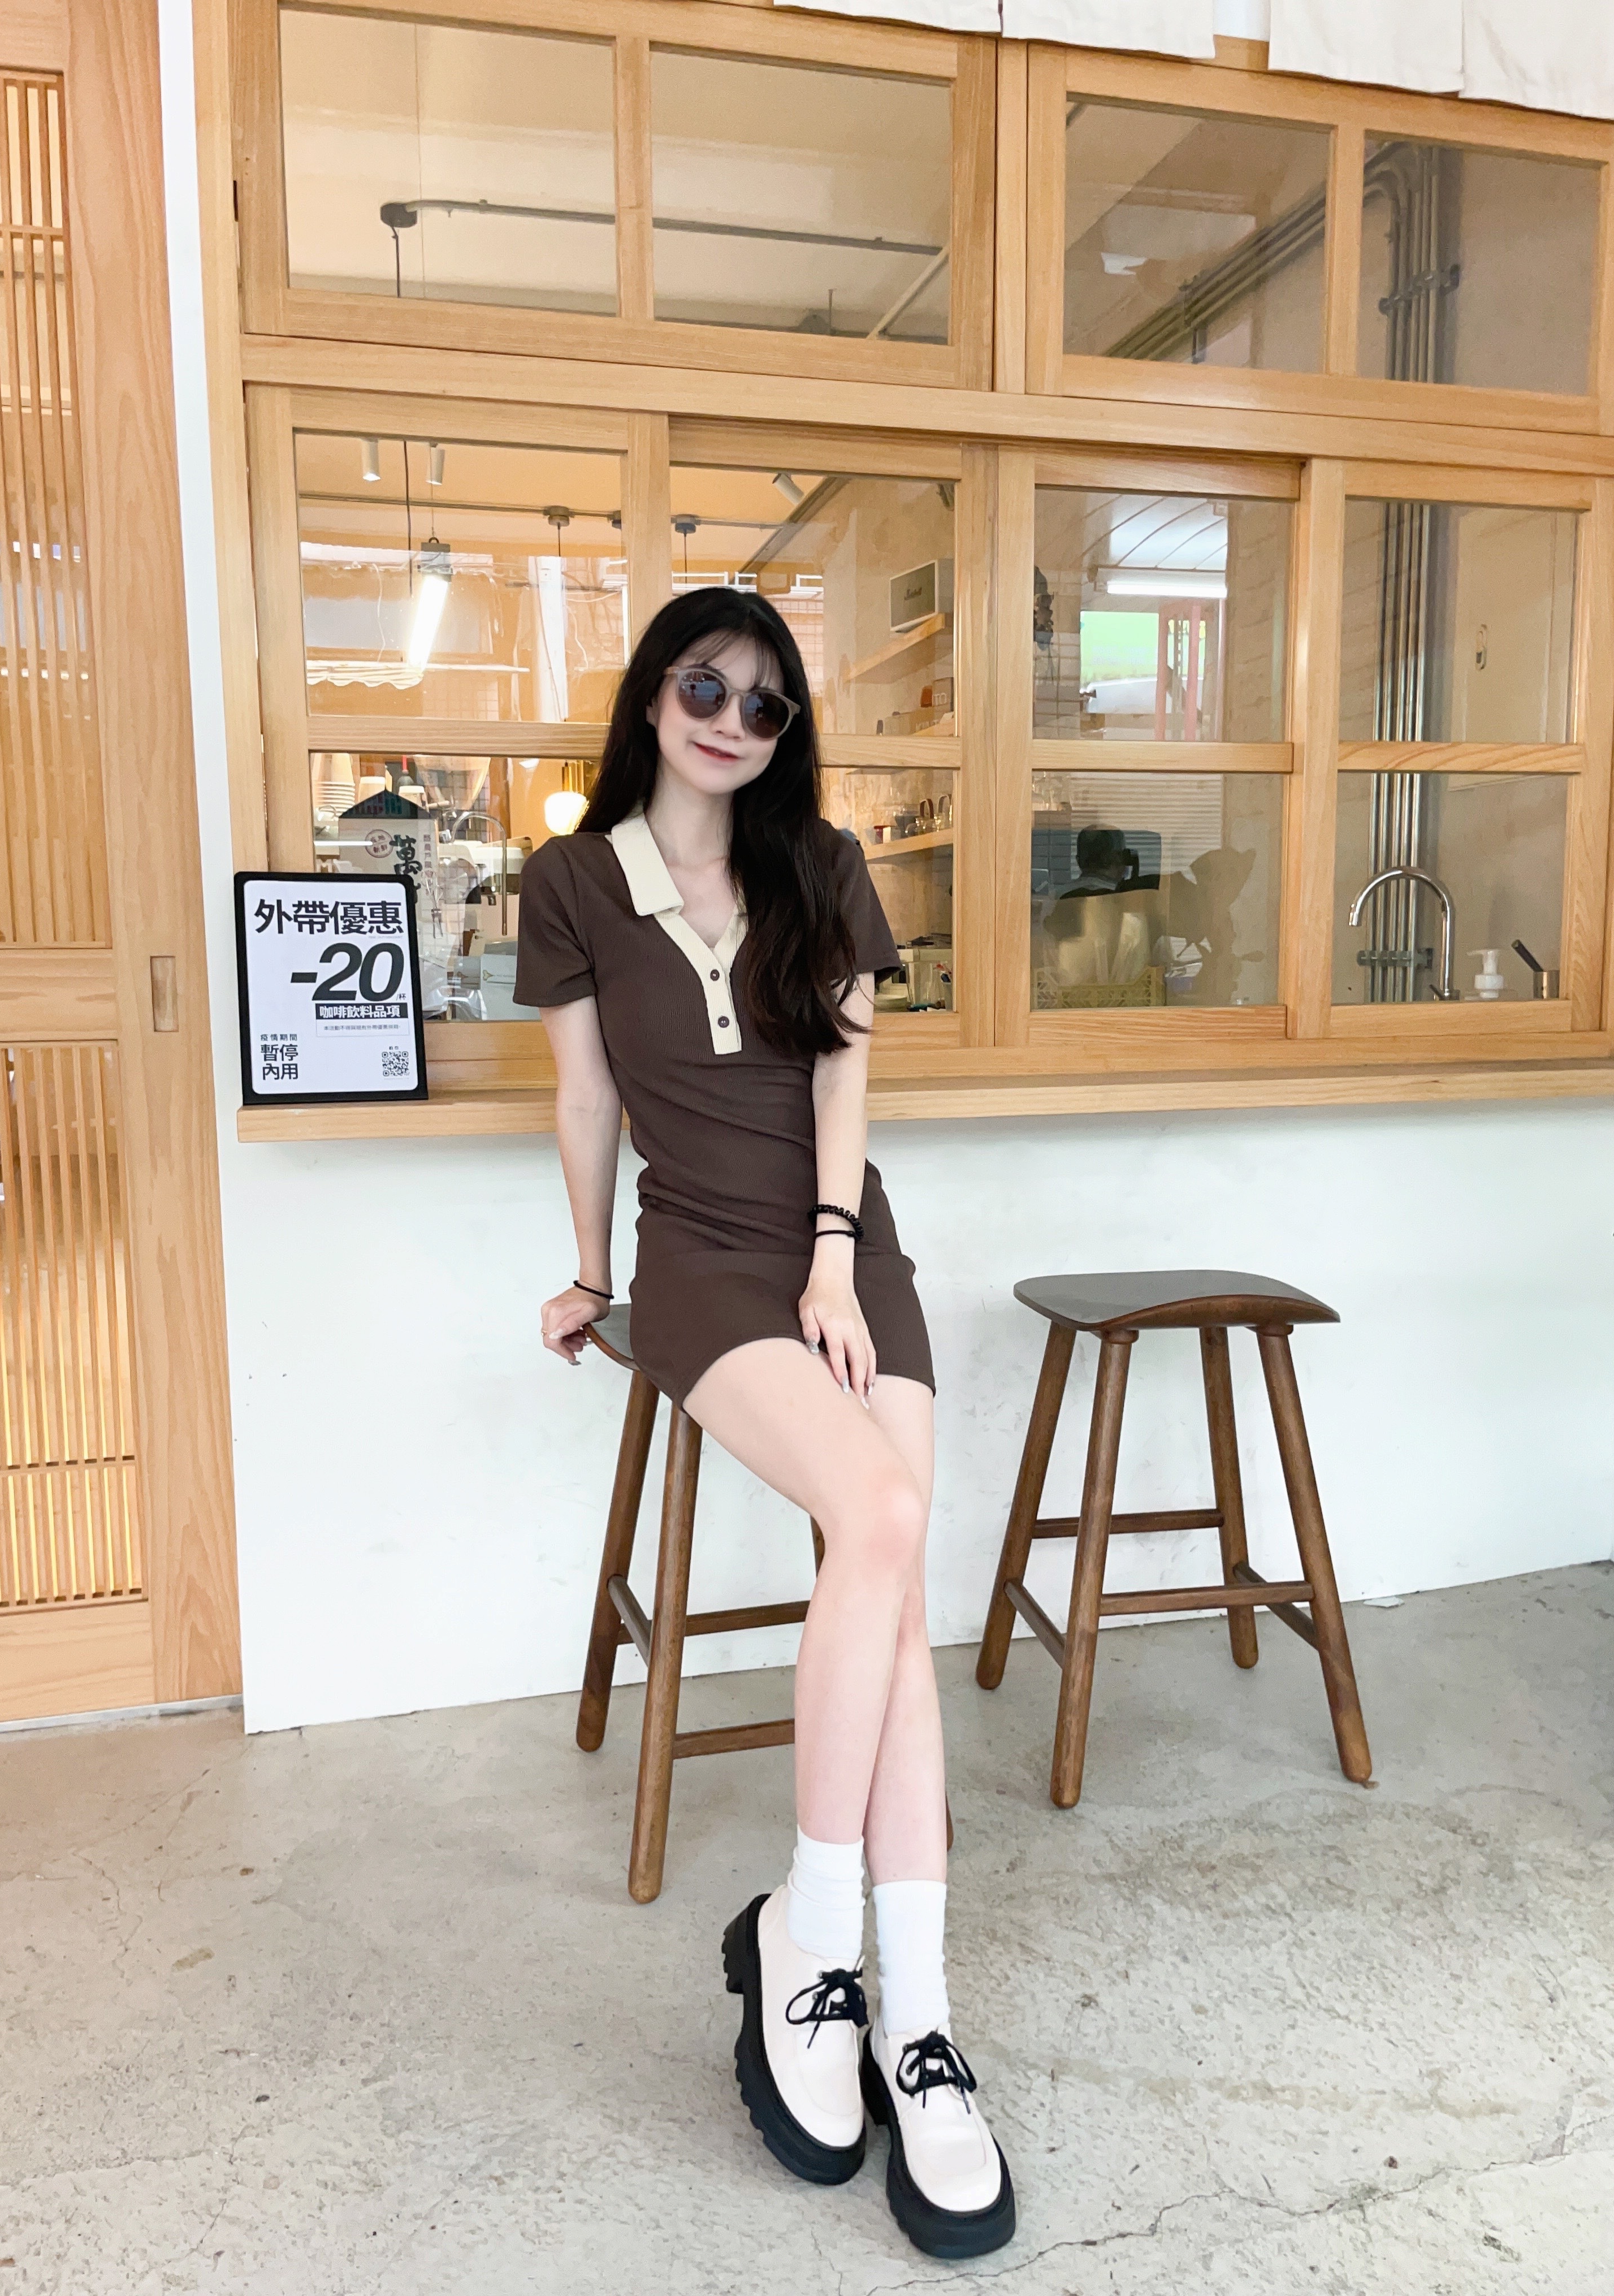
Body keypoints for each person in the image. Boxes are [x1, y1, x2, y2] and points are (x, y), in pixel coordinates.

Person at [515, 588, 1014, 2263]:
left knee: (889, 1584)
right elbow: (589, 1092)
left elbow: (843, 1081)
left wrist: (835, 1259)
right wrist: (590, 1273)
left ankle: (904, 2009)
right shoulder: (574, 882)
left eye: (767, 703)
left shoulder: (823, 865)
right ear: (654, 698)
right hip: (703, 1262)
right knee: (883, 1523)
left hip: (841, 1251)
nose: (734, 720)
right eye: (706, 687)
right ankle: (822, 1935)